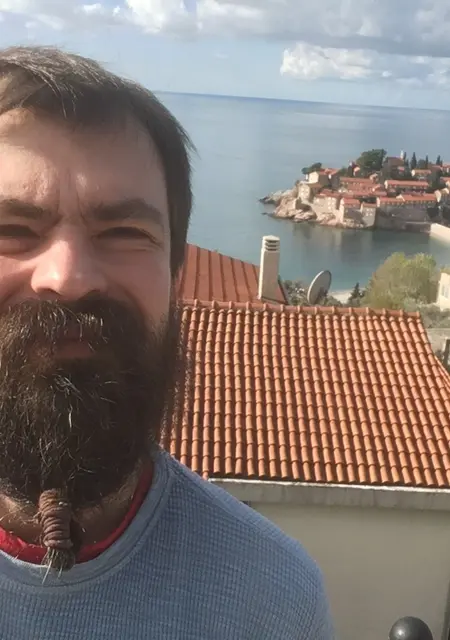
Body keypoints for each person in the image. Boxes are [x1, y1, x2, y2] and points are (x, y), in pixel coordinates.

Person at [0, 45, 334, 639]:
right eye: (11, 229)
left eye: (124, 232)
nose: (68, 277)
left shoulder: (273, 603)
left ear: (175, 276)